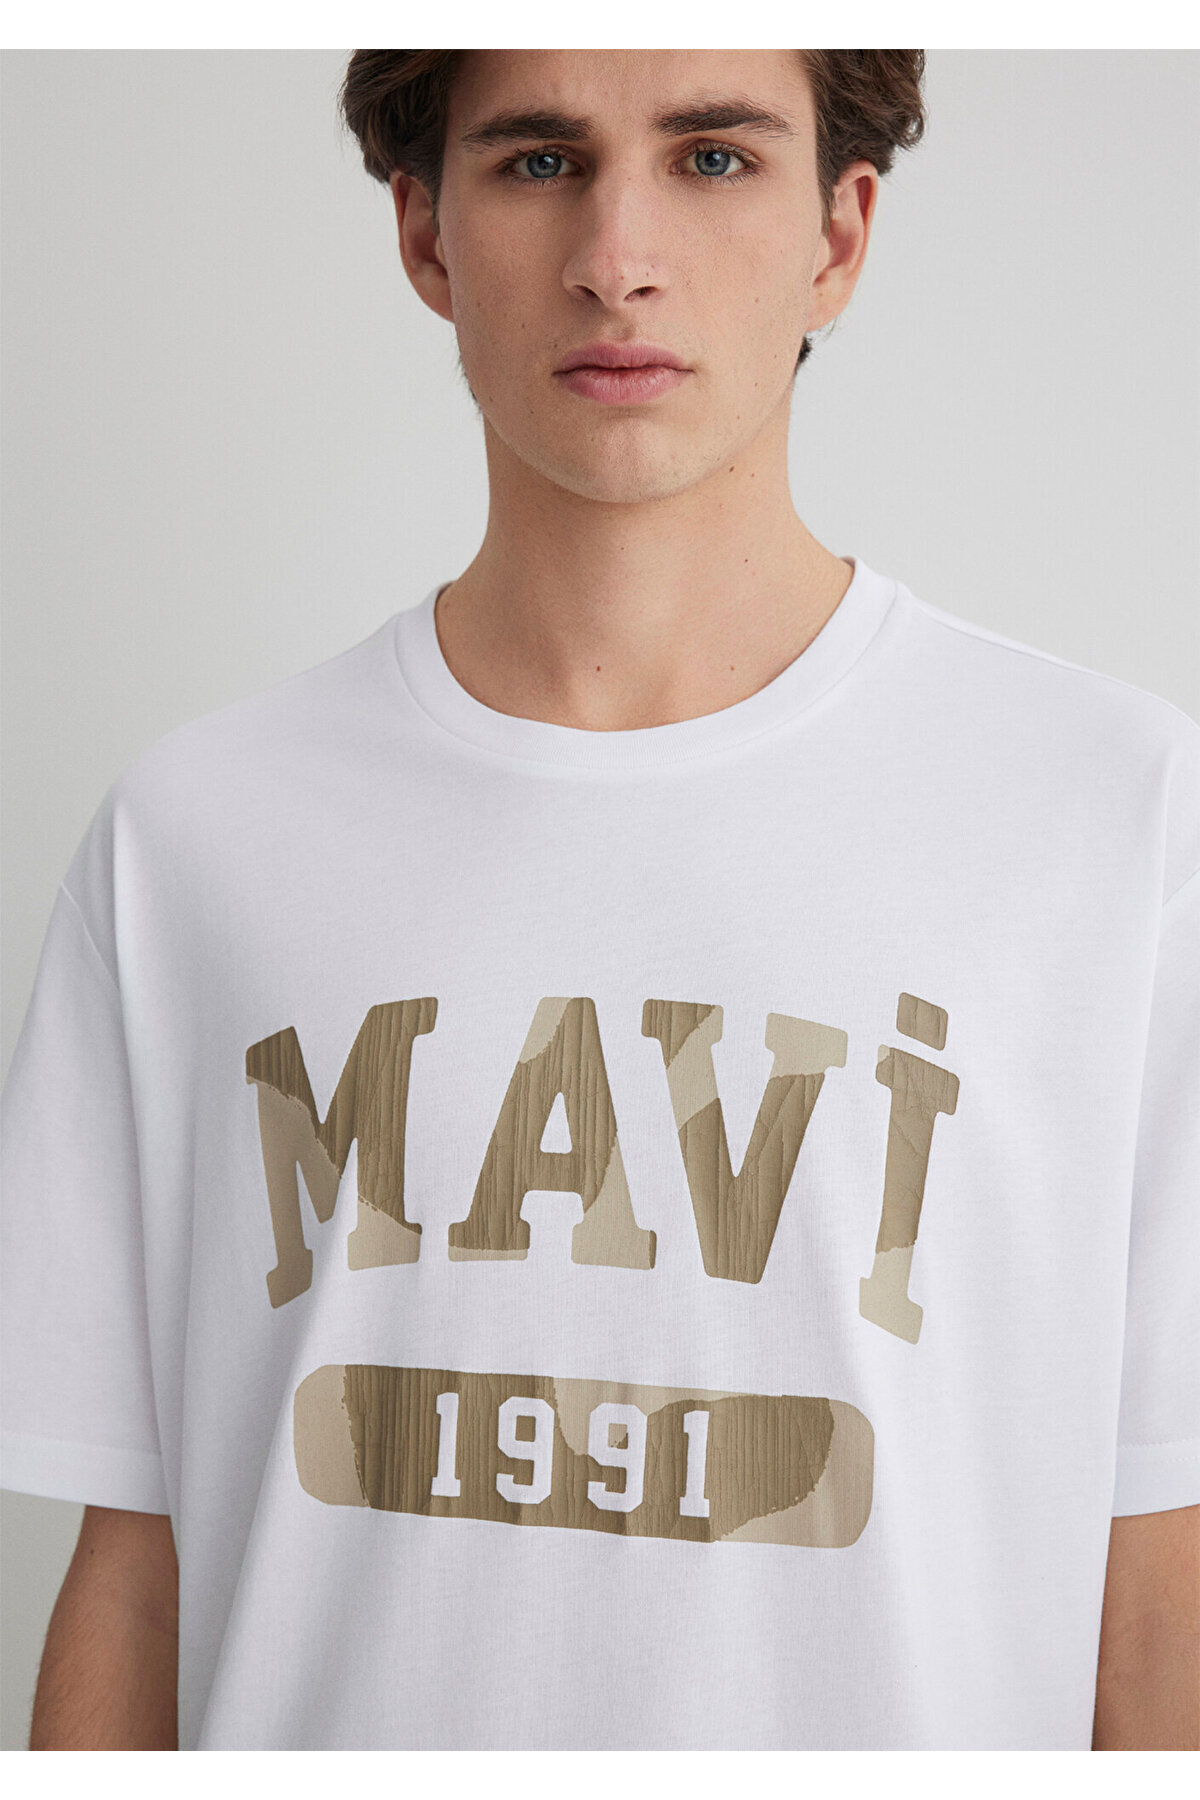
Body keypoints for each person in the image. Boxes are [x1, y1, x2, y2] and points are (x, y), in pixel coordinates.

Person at [1, 47, 1196, 1753]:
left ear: (838, 234)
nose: (617, 257)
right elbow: (136, 1572)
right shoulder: (191, 841)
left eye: (712, 160)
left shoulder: (1120, 822)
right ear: (426, 233)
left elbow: (1157, 1592)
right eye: (539, 162)